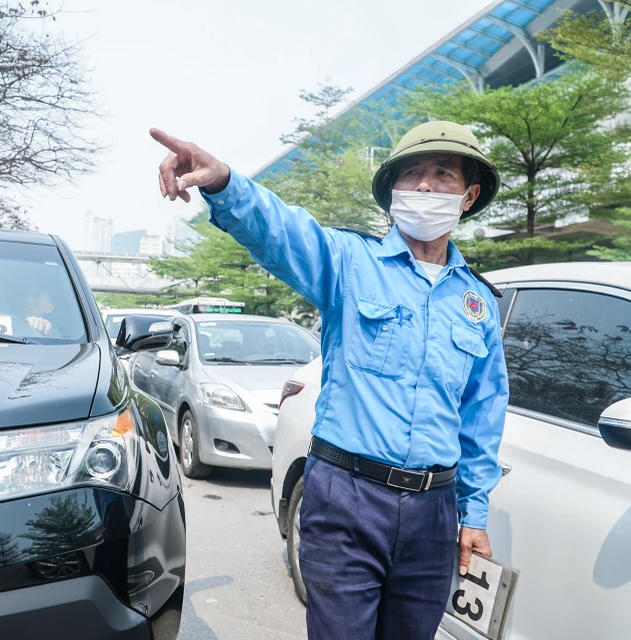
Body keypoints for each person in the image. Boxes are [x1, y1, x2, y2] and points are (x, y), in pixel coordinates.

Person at [151, 122, 509, 639]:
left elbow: (482, 413)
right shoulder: (349, 261)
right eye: (412, 175)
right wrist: (224, 181)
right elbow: (281, 231)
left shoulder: (476, 302)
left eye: (442, 174)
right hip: (348, 499)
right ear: (392, 193)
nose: (425, 186)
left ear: (468, 195)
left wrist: (473, 514)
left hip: (435, 511)